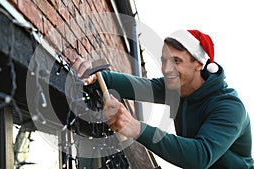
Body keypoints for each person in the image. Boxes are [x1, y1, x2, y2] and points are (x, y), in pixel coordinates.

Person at [71, 29, 254, 168]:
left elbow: (200, 156)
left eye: (176, 61)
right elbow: (136, 86)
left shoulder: (229, 107)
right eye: (164, 60)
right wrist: (95, 76)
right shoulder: (176, 87)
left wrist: (134, 127)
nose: (167, 69)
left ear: (198, 64)